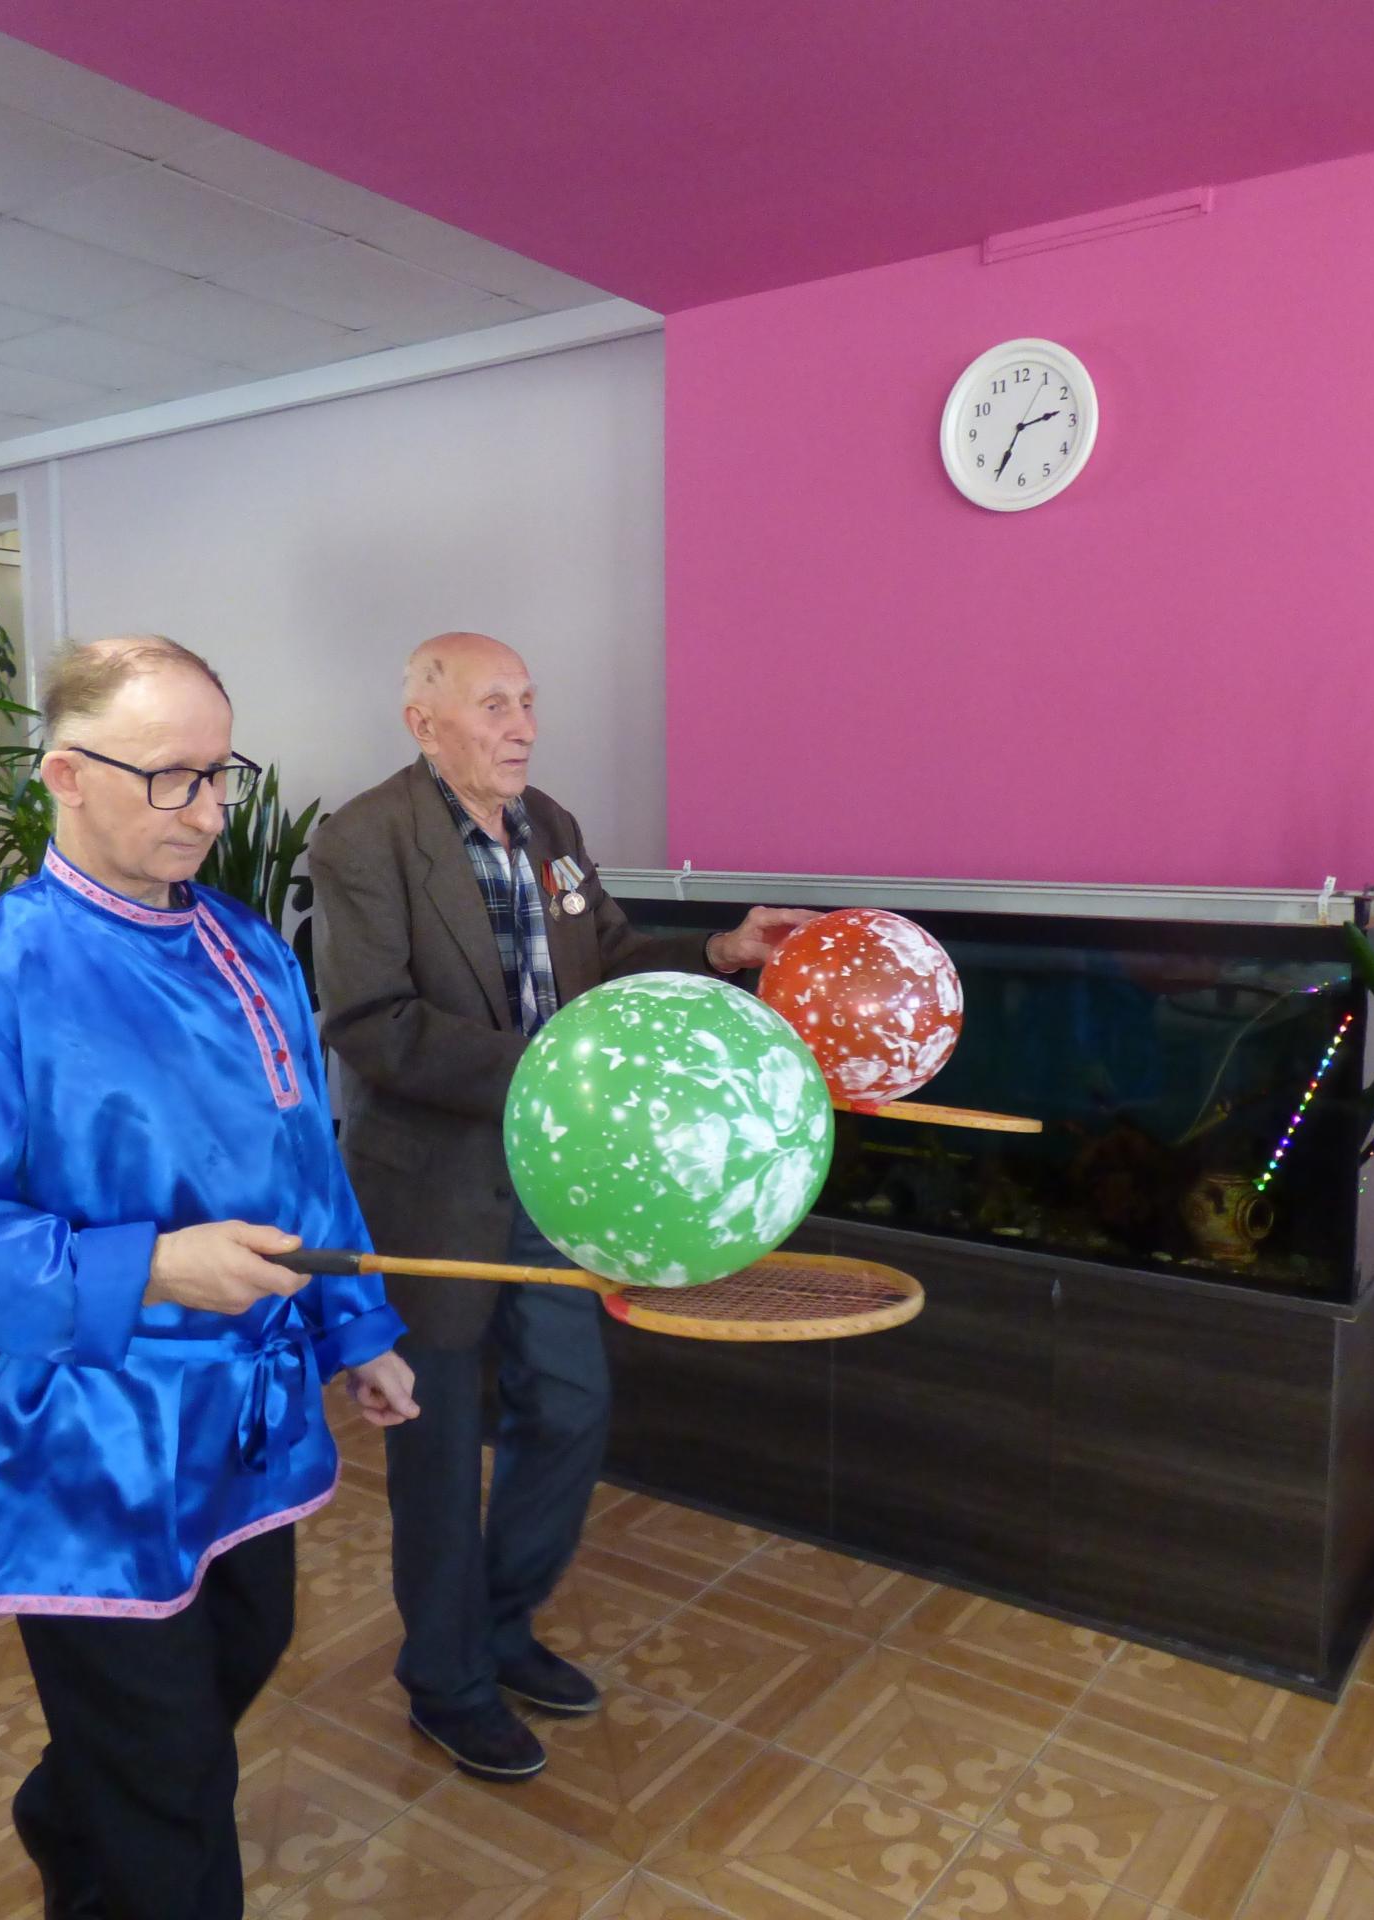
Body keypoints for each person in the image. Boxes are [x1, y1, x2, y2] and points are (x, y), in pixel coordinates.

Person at [0, 636, 418, 1920]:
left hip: (244, 1421)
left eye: (221, 774)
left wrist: (359, 1329)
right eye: (172, 777)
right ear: (65, 773)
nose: (210, 812)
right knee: (173, 1789)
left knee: (238, 1658)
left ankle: (73, 1812)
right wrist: (153, 1264)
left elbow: (304, 1166)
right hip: (86, 1446)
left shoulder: (247, 947)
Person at [310, 630, 810, 1781]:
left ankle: (495, 1626)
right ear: (423, 721)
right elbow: (372, 1024)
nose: (524, 726)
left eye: (528, 702)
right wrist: (551, 1071)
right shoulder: (364, 838)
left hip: (553, 1181)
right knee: (438, 1452)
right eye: (495, 705)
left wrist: (722, 949)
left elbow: (610, 960)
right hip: (431, 1193)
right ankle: (444, 1680)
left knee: (571, 1409)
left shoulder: (551, 829)